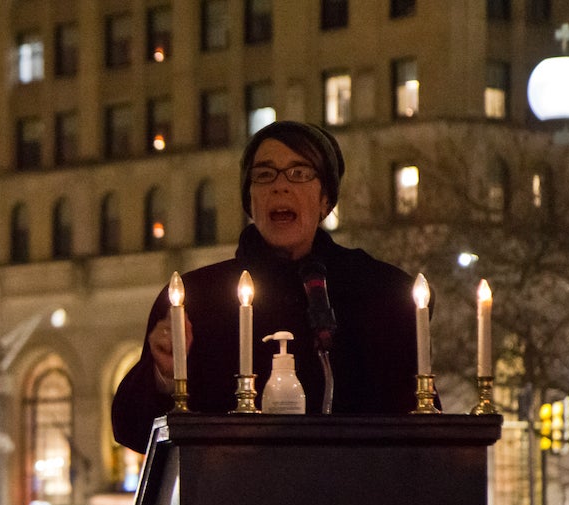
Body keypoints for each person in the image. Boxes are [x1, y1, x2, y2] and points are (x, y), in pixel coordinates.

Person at [112, 120, 428, 453]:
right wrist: (164, 377)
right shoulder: (195, 299)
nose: (280, 187)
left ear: (326, 200)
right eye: (264, 175)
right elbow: (133, 428)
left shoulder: (377, 292)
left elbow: (418, 424)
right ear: (249, 200)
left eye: (299, 173)